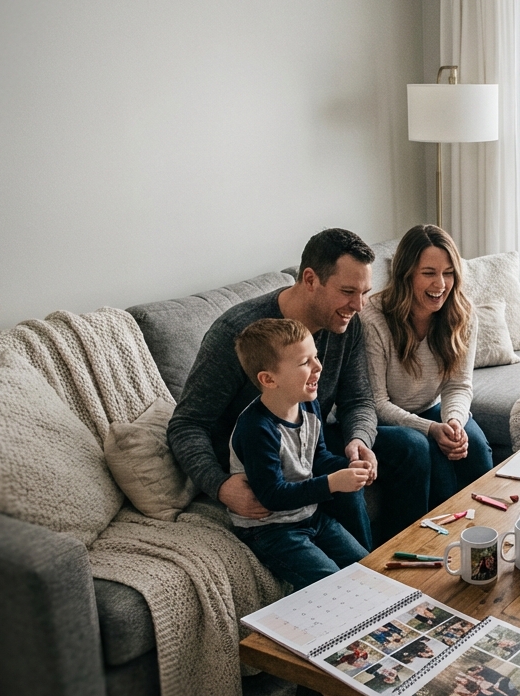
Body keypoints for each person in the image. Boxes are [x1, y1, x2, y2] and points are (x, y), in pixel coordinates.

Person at [168, 227, 427, 546]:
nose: (359, 305)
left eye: (364, 292)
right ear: (309, 279)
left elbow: (358, 400)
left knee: (413, 447)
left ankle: (401, 556)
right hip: (261, 453)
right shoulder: (237, 334)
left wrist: (358, 440)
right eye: (348, 291)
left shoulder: (347, 325)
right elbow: (186, 424)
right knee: (340, 487)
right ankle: (367, 577)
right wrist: (220, 485)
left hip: (308, 436)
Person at [226, 319, 370, 590]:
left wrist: (352, 466)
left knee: (366, 568)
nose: (318, 367)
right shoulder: (256, 429)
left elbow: (317, 459)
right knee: (333, 585)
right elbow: (272, 496)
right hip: (270, 530)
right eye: (306, 362)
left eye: (315, 357)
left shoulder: (309, 404)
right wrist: (332, 483)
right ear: (269, 379)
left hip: (310, 516)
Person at [360, 225, 493, 509]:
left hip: (433, 408)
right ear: (406, 274)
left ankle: (486, 538)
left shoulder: (462, 313)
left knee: (477, 450)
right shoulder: (374, 318)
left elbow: (458, 385)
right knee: (441, 477)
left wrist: (454, 422)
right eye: (429, 273)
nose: (441, 284)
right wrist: (431, 429)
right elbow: (377, 403)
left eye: (448, 273)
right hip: (387, 420)